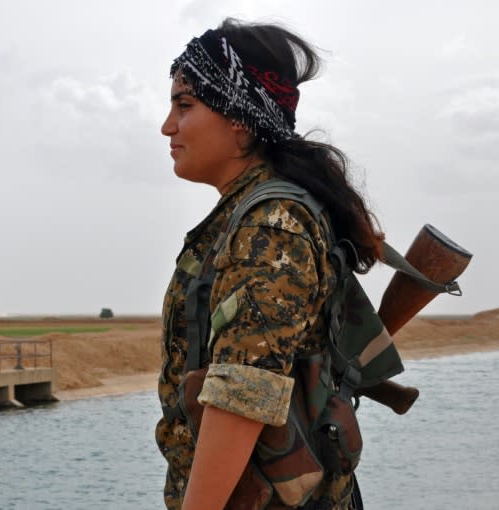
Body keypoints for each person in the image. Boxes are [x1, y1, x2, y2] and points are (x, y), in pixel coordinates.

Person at [156, 19, 385, 510]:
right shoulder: (256, 212)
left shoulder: (269, 223)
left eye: (184, 105)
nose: (168, 126)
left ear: (238, 117)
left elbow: (242, 395)